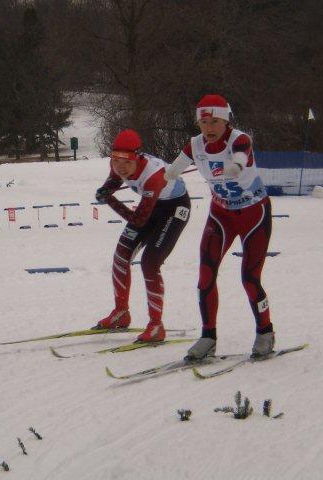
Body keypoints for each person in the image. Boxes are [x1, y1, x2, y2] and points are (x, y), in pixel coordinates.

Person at [165, 94, 274, 359]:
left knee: (249, 278)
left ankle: (265, 331)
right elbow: (175, 167)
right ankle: (208, 337)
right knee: (205, 276)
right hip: (221, 216)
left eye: (215, 121)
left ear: (226, 121)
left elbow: (241, 155)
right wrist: (168, 174)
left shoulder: (239, 138)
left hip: (253, 215)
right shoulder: (195, 144)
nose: (209, 128)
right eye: (204, 122)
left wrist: (236, 165)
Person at [93, 129, 191, 342]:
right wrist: (105, 189)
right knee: (120, 257)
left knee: (150, 263)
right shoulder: (118, 165)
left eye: (127, 163)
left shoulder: (154, 176)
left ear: (138, 157)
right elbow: (114, 181)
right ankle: (121, 312)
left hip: (173, 210)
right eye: (116, 161)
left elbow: (137, 219)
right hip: (152, 207)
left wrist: (109, 200)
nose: (121, 168)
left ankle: (156, 326)